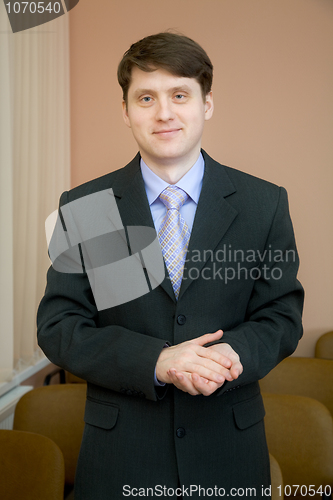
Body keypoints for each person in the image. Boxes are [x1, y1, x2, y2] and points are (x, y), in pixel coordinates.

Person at [37, 32, 304, 499]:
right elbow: (59, 326)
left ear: (207, 104)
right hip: (121, 457)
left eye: (179, 94)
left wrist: (227, 357)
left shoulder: (265, 203)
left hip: (229, 453)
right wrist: (157, 361)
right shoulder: (87, 206)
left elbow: (281, 316)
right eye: (146, 98)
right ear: (125, 111)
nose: (164, 112)